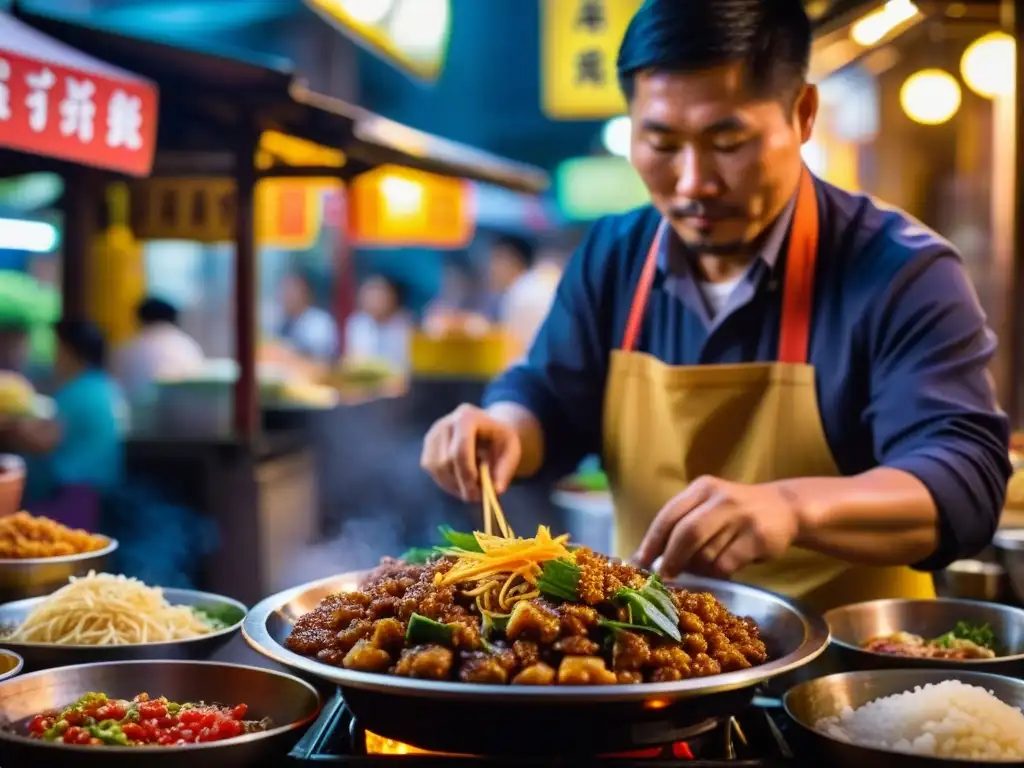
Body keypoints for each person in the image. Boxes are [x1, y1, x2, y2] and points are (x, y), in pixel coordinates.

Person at [421, 0, 1010, 612]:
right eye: (662, 143)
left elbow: (962, 480)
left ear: (803, 114)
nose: (693, 181)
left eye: (727, 140)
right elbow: (550, 399)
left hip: (839, 679)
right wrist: (504, 428)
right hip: (646, 656)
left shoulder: (899, 269)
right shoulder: (616, 256)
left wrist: (790, 508)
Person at [2, 319, 125, 529]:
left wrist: (9, 428)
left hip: (72, 495)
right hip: (94, 492)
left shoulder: (79, 392)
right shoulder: (103, 386)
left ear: (70, 352)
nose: (54, 358)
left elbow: (43, 441)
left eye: (57, 350)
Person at [111, 297, 204, 403]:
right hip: (180, 414)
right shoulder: (187, 347)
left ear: (139, 318)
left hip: (136, 416)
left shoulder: (125, 349)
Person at [344, 275, 413, 371]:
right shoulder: (357, 323)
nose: (374, 302)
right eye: (370, 297)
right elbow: (354, 360)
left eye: (378, 297)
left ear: (391, 298)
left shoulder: (404, 324)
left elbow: (406, 363)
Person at [279, 272, 339, 362]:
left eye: (290, 291)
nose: (285, 296)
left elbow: (321, 357)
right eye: (283, 291)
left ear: (304, 293)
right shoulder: (283, 323)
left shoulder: (320, 321)